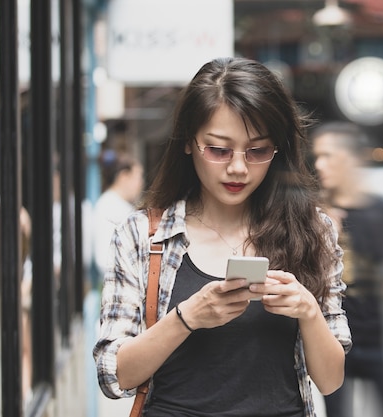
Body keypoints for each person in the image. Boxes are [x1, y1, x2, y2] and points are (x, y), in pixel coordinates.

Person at [93, 57, 352, 417]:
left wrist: (309, 311)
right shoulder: (142, 236)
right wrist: (186, 318)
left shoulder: (311, 231)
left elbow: (330, 380)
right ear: (187, 142)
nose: (238, 168)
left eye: (257, 150)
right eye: (219, 149)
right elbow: (113, 376)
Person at [311, 121, 383, 417]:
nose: (319, 165)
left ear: (351, 160)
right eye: (317, 157)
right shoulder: (315, 218)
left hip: (378, 340)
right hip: (332, 340)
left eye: (327, 156)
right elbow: (310, 286)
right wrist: (326, 237)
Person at [93, 149, 144, 278]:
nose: (141, 184)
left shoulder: (116, 205)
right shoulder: (109, 206)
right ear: (124, 176)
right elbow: (104, 259)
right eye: (138, 177)